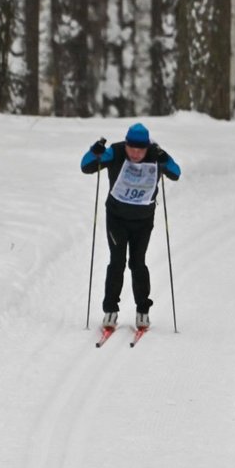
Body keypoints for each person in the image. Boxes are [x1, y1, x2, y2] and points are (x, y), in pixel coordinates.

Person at [80, 123, 181, 329]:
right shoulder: (116, 152)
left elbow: (175, 172)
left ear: (147, 147)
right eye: (132, 148)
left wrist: (165, 160)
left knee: (137, 263)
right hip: (116, 217)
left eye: (140, 149)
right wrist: (94, 151)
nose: (135, 153)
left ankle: (142, 311)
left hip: (143, 220)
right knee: (116, 262)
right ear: (126, 144)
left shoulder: (155, 154)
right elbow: (86, 166)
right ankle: (110, 311)